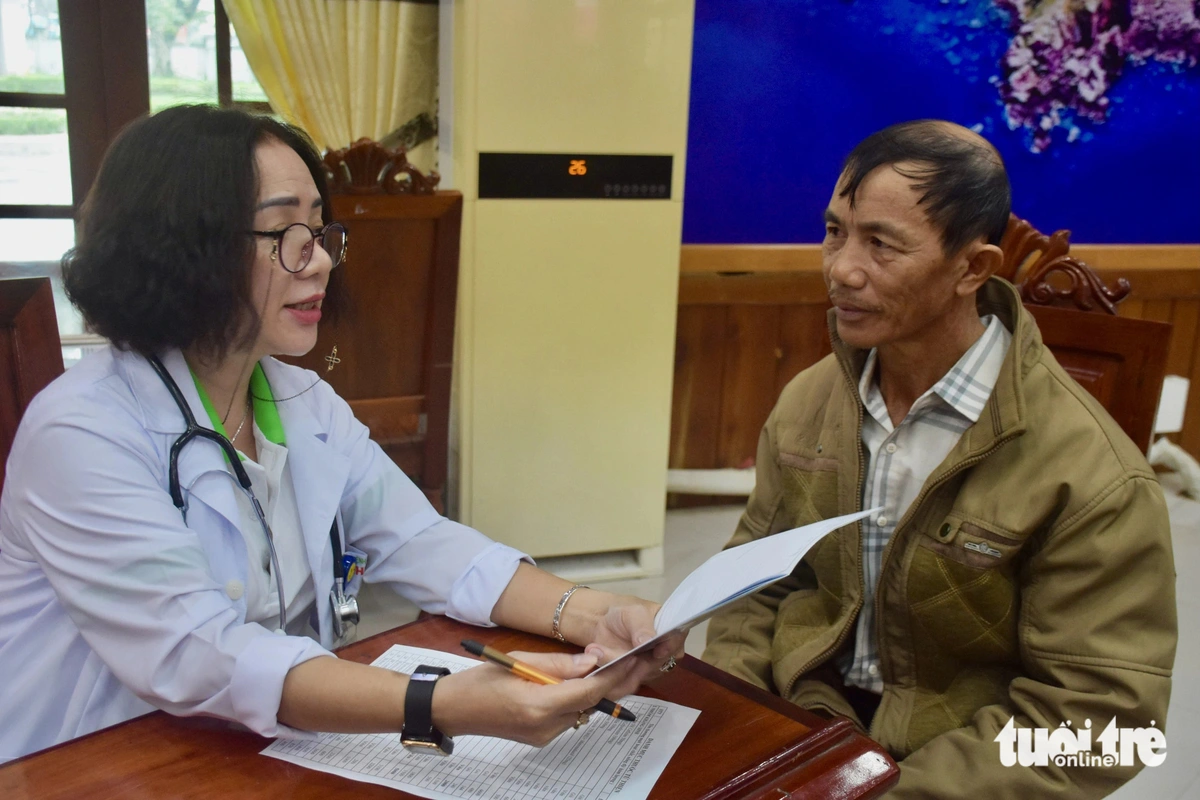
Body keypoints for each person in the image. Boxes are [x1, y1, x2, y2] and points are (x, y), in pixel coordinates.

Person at [0, 105, 680, 763]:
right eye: (283, 234)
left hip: (259, 748)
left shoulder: (302, 401)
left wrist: (591, 613)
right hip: (93, 760)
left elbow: (420, 540)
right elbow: (196, 653)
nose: (321, 261)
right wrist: (438, 704)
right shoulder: (82, 432)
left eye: (320, 232)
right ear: (180, 251)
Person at [703, 120, 1177, 797]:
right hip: (806, 721)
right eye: (835, 232)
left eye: (881, 244)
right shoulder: (812, 399)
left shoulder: (1092, 473)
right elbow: (754, 583)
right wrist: (740, 727)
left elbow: (1100, 723)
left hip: (955, 762)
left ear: (973, 268)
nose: (841, 269)